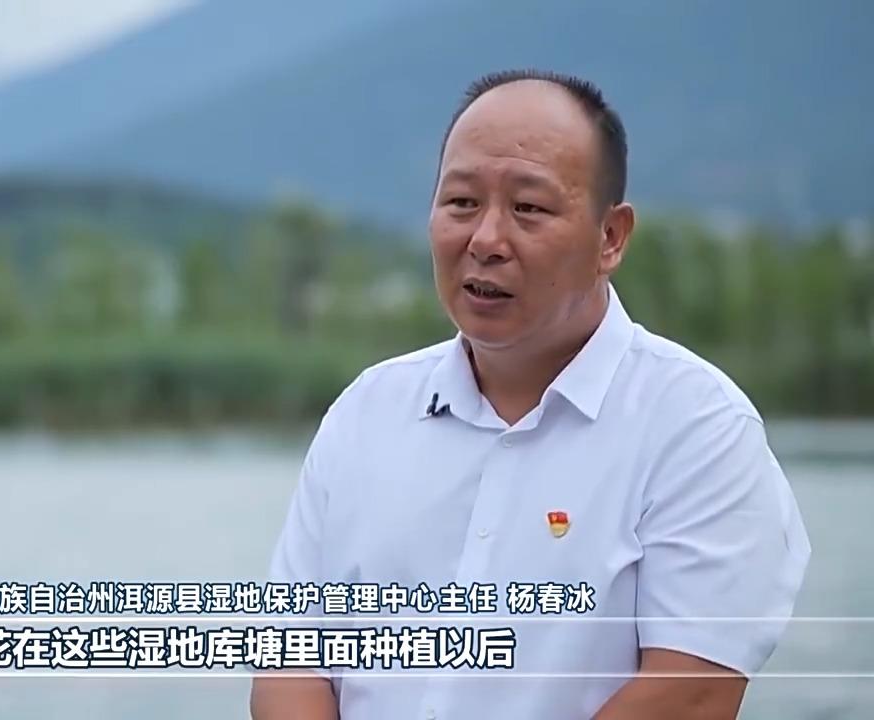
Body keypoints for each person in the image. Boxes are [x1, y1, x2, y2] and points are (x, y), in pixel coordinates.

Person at [249, 69, 811, 720]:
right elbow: (289, 663)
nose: (486, 240)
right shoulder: (367, 412)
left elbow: (691, 690)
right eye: (462, 202)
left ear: (610, 237)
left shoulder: (697, 426)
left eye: (529, 209)